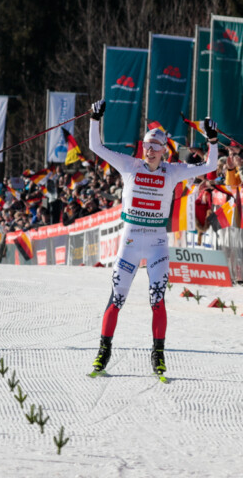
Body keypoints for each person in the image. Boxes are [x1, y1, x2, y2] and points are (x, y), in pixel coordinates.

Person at [87, 99, 218, 378]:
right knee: (116, 299)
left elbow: (211, 165)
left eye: (155, 146)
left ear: (164, 149)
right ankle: (103, 352)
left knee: (157, 300)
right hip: (130, 243)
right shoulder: (129, 166)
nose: (149, 149)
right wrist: (95, 119)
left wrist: (212, 138)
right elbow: (96, 147)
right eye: (146, 144)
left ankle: (158, 355)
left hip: (158, 244)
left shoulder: (173, 171)